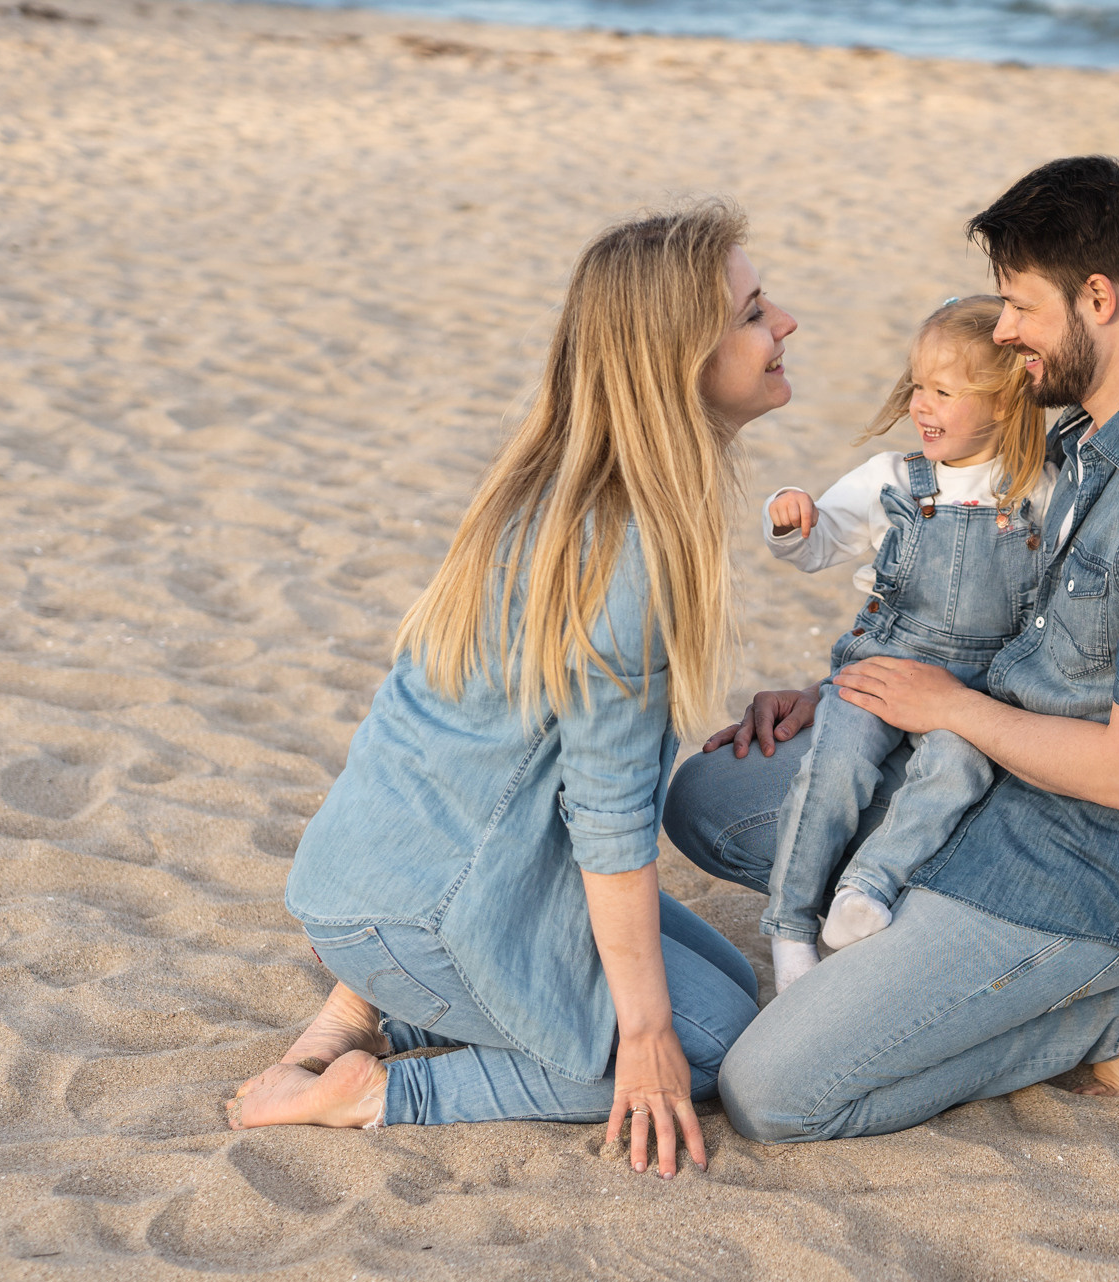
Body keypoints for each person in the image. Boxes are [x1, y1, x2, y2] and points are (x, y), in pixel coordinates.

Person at [664, 156, 1119, 1141]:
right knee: (710, 797)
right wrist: (863, 688)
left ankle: (1095, 1013)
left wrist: (948, 708)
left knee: (769, 1091)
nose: (999, 331)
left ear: (1099, 299)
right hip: (984, 778)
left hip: (1081, 870)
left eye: (1016, 307)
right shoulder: (1084, 437)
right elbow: (986, 611)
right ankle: (920, 939)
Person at [226, 202, 797, 1178]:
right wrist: (646, 1038)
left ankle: (369, 1003)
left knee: (722, 980)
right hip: (428, 901)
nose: (781, 321)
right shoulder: (626, 550)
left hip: (382, 877)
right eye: (750, 312)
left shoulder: (555, 485)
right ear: (677, 361)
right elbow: (609, 817)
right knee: (693, 1045)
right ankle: (374, 1084)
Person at [756, 295, 1054, 993]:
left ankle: (866, 885)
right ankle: (792, 924)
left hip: (972, 692)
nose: (921, 404)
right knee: (836, 769)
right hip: (882, 666)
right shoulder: (893, 478)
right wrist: (795, 523)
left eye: (943, 392)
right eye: (918, 385)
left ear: (1006, 405)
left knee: (958, 771)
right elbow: (823, 541)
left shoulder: (1036, 489)